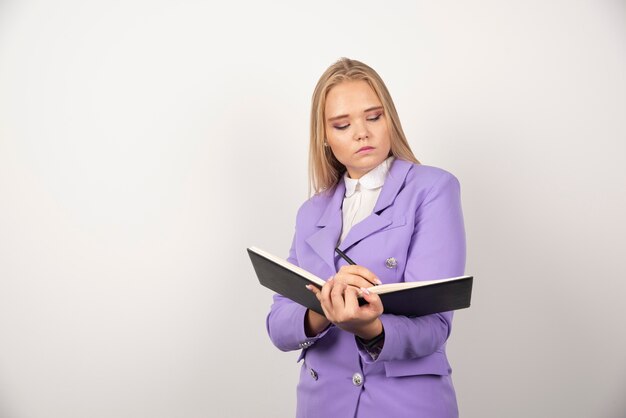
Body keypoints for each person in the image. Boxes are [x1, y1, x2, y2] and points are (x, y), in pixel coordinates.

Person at [266, 58, 466, 418]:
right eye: (342, 124)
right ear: (325, 138)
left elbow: (434, 327)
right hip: (322, 405)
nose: (362, 133)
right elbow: (279, 325)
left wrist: (369, 326)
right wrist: (324, 311)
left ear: (390, 119)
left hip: (406, 406)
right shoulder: (310, 212)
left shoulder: (433, 190)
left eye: (374, 117)